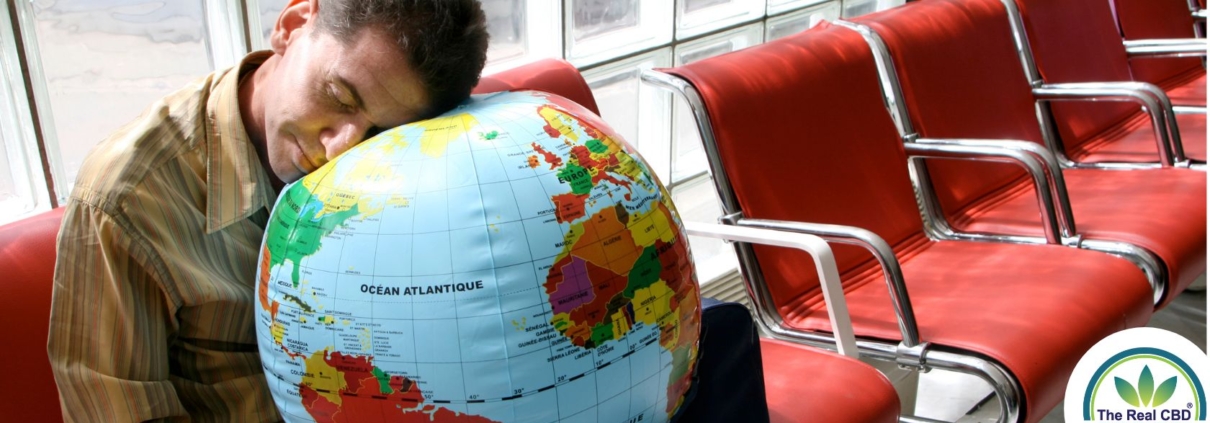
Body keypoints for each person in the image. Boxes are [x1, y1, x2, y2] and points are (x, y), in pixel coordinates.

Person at [46, 0, 489, 421]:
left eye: (380, 130)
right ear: (292, 24)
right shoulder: (126, 202)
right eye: (338, 96)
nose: (340, 149)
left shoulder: (424, 165)